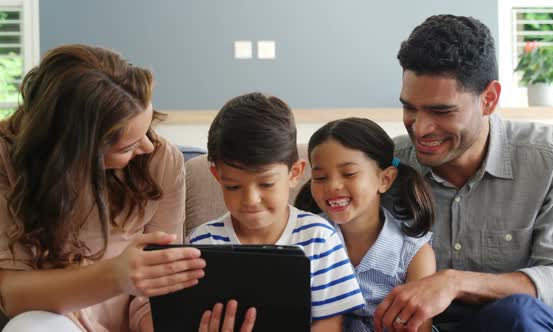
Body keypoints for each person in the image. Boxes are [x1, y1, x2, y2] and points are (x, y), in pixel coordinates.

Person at [374, 14, 553, 332]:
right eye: (410, 108)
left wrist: (454, 283)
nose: (420, 128)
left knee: (517, 314)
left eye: (441, 111)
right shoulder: (387, 166)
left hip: (519, 326)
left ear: (488, 99)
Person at [0, 44, 214, 332]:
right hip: (56, 320)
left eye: (148, 130)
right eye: (127, 145)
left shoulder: (159, 159)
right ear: (76, 150)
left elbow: (163, 281)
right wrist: (115, 276)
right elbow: (12, 294)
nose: (148, 146)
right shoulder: (7, 157)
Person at [187, 92, 366, 331]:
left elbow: (330, 324)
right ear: (217, 176)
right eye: (233, 186)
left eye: (266, 184)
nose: (251, 200)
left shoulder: (319, 239)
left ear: (295, 173)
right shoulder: (201, 243)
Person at [294, 117, 436, 332]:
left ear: (385, 180)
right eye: (321, 177)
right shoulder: (304, 239)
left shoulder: (414, 252)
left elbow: (418, 327)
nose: (333, 186)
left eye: (349, 173)